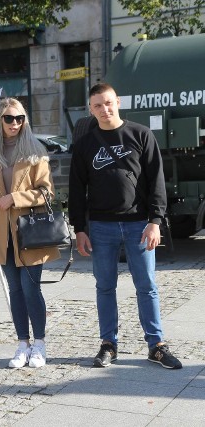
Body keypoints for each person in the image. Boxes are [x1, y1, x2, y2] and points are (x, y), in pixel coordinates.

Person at [69, 83, 182, 370]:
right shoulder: (85, 144)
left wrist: (155, 221)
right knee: (105, 287)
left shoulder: (141, 134)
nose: (104, 110)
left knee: (147, 286)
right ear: (90, 109)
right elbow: (76, 189)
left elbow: (157, 180)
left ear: (117, 102)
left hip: (138, 225)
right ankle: (108, 344)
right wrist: (79, 228)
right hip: (101, 227)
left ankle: (156, 345)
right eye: (97, 105)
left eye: (108, 103)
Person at [0, 98, 59, 369]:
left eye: (20, 118)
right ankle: (22, 343)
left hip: (29, 232)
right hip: (2, 233)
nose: (16, 123)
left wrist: (16, 198)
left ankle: (39, 343)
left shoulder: (35, 152)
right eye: (10, 119)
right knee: (14, 290)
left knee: (30, 288)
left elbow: (47, 193)